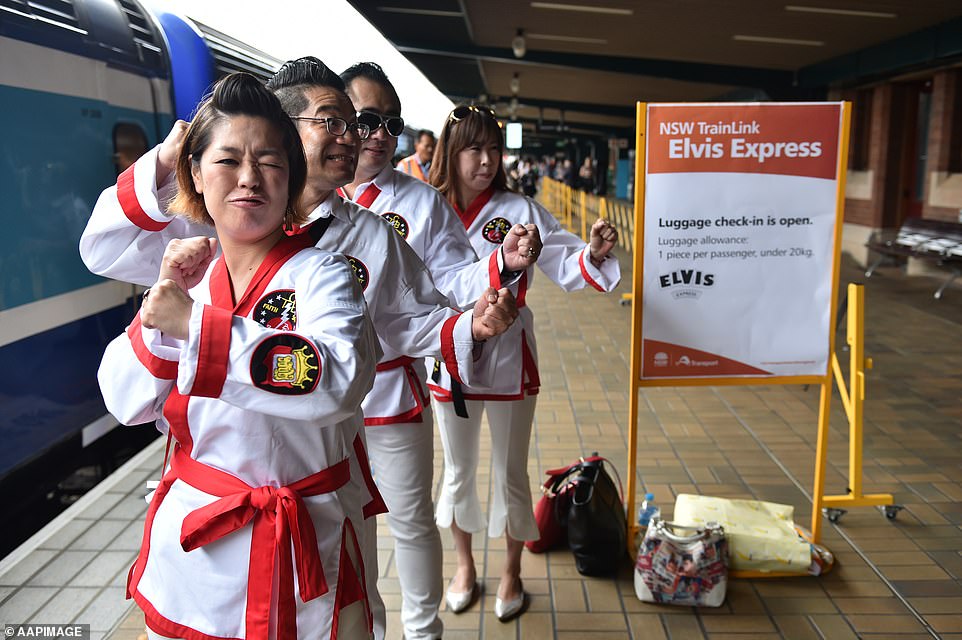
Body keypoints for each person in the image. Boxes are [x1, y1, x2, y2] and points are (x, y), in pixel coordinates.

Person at [79, 57, 520, 640]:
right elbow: (121, 367)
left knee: (400, 531)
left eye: (266, 163)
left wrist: (471, 325)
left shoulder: (345, 253)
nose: (354, 137)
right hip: (199, 542)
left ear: (284, 166)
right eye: (334, 121)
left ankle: (424, 628)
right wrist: (163, 321)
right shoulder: (199, 248)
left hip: (324, 475)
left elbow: (398, 328)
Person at [97, 72, 381, 640]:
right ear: (196, 175)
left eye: (270, 162)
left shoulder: (325, 276)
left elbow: (339, 376)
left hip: (303, 557)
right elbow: (124, 399)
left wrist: (196, 329)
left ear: (290, 177)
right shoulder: (190, 281)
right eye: (228, 160)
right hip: (195, 559)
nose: (249, 178)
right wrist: (163, 313)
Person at [337, 61, 541, 640]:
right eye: (366, 119)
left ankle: (422, 631)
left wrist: (500, 265)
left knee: (409, 519)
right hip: (317, 400)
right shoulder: (305, 198)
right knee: (346, 523)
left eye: (390, 124)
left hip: (392, 392)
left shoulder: (421, 204)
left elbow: (450, 279)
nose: (378, 134)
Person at [427, 104, 621, 622]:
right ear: (451, 152)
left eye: (494, 148)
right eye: (474, 148)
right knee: (457, 472)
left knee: (511, 474)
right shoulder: (427, 209)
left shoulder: (521, 209)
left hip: (512, 358)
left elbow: (566, 260)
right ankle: (464, 566)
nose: (487, 160)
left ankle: (512, 571)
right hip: (451, 357)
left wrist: (594, 254)